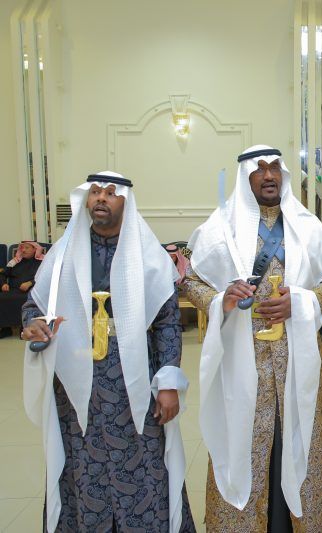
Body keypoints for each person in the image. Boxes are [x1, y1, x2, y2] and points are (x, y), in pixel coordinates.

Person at [184, 145, 322, 532]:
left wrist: (303, 301)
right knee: (244, 441)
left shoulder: (306, 224)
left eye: (275, 168)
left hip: (298, 354)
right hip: (243, 356)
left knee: (302, 436)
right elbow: (192, 281)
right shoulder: (219, 227)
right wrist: (222, 299)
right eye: (260, 170)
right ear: (246, 177)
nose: (269, 175)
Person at [21, 171, 194, 532]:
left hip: (135, 382)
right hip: (75, 383)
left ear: (126, 202)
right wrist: (33, 323)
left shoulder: (148, 255)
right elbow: (34, 305)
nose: (101, 198)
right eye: (95, 192)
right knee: (83, 465)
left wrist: (168, 383)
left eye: (111, 193)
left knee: (144, 465)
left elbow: (167, 323)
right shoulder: (64, 253)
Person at [0, 240, 45, 337]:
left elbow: (45, 277)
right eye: (22, 248)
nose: (23, 250)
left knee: (24, 299)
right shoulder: (15, 261)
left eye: (27, 248)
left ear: (35, 249)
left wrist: (30, 283)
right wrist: (3, 284)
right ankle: (6, 328)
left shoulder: (42, 262)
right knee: (2, 298)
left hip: (32, 290)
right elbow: (2, 274)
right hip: (13, 290)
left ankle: (24, 327)